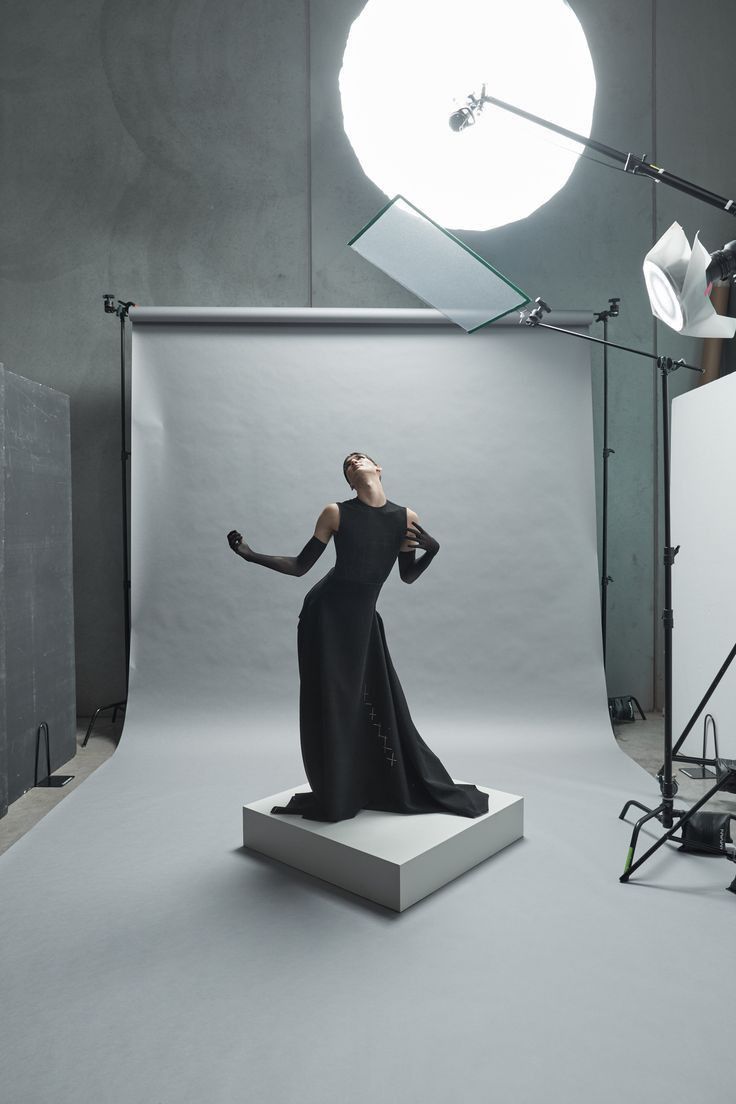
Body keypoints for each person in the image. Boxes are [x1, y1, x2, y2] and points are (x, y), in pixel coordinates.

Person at [227, 452, 488, 822]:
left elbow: (406, 576)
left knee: (376, 700)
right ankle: (336, 789)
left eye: (361, 457)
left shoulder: (405, 518)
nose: (354, 461)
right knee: (333, 702)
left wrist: (433, 550)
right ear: (349, 481)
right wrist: (249, 554)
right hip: (325, 616)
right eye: (348, 463)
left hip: (364, 620)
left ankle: (369, 781)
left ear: (378, 469)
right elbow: (301, 567)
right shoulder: (335, 512)